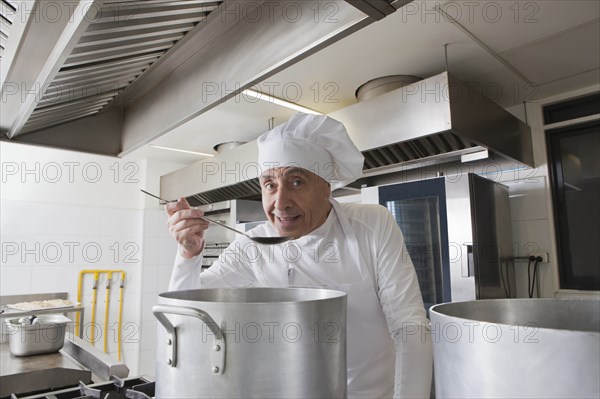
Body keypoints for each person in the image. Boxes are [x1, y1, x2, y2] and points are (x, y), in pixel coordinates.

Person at [165, 112, 433, 398]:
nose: (280, 203)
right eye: (270, 185)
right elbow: (187, 313)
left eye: (296, 182)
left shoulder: (371, 226)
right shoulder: (253, 244)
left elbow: (410, 327)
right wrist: (188, 254)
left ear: (326, 187)